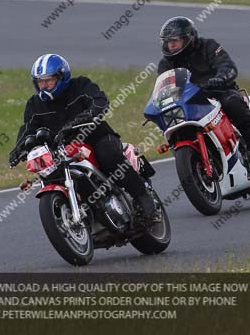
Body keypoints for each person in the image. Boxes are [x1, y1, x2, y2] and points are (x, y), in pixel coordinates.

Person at [9, 54, 159, 222]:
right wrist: (18, 148)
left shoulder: (80, 85)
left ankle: (143, 197)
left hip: (95, 137)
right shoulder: (34, 104)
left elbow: (100, 101)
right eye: (40, 82)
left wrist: (85, 117)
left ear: (62, 77)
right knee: (49, 173)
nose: (43, 86)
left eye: (48, 81)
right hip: (62, 150)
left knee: (108, 155)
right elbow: (28, 128)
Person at [157, 18, 250, 173]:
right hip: (191, 102)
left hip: (219, 93)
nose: (171, 45)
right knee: (172, 122)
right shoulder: (165, 64)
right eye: (168, 41)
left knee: (232, 102)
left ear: (188, 38)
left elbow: (227, 66)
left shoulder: (208, 46)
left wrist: (221, 78)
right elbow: (165, 88)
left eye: (175, 41)